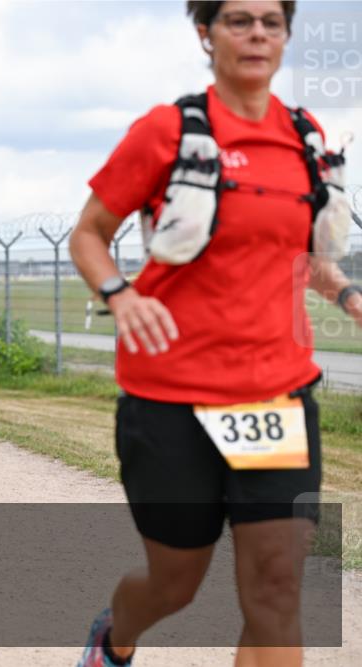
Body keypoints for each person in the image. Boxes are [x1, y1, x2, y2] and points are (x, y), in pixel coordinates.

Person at [68, 3, 362, 666]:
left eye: (271, 21)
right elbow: (88, 233)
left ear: (286, 34)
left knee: (276, 587)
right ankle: (114, 637)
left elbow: (301, 253)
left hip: (274, 396)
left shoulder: (303, 135)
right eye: (238, 20)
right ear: (205, 33)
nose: (257, 34)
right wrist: (118, 293)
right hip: (171, 397)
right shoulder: (166, 130)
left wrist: (346, 292)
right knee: (175, 583)